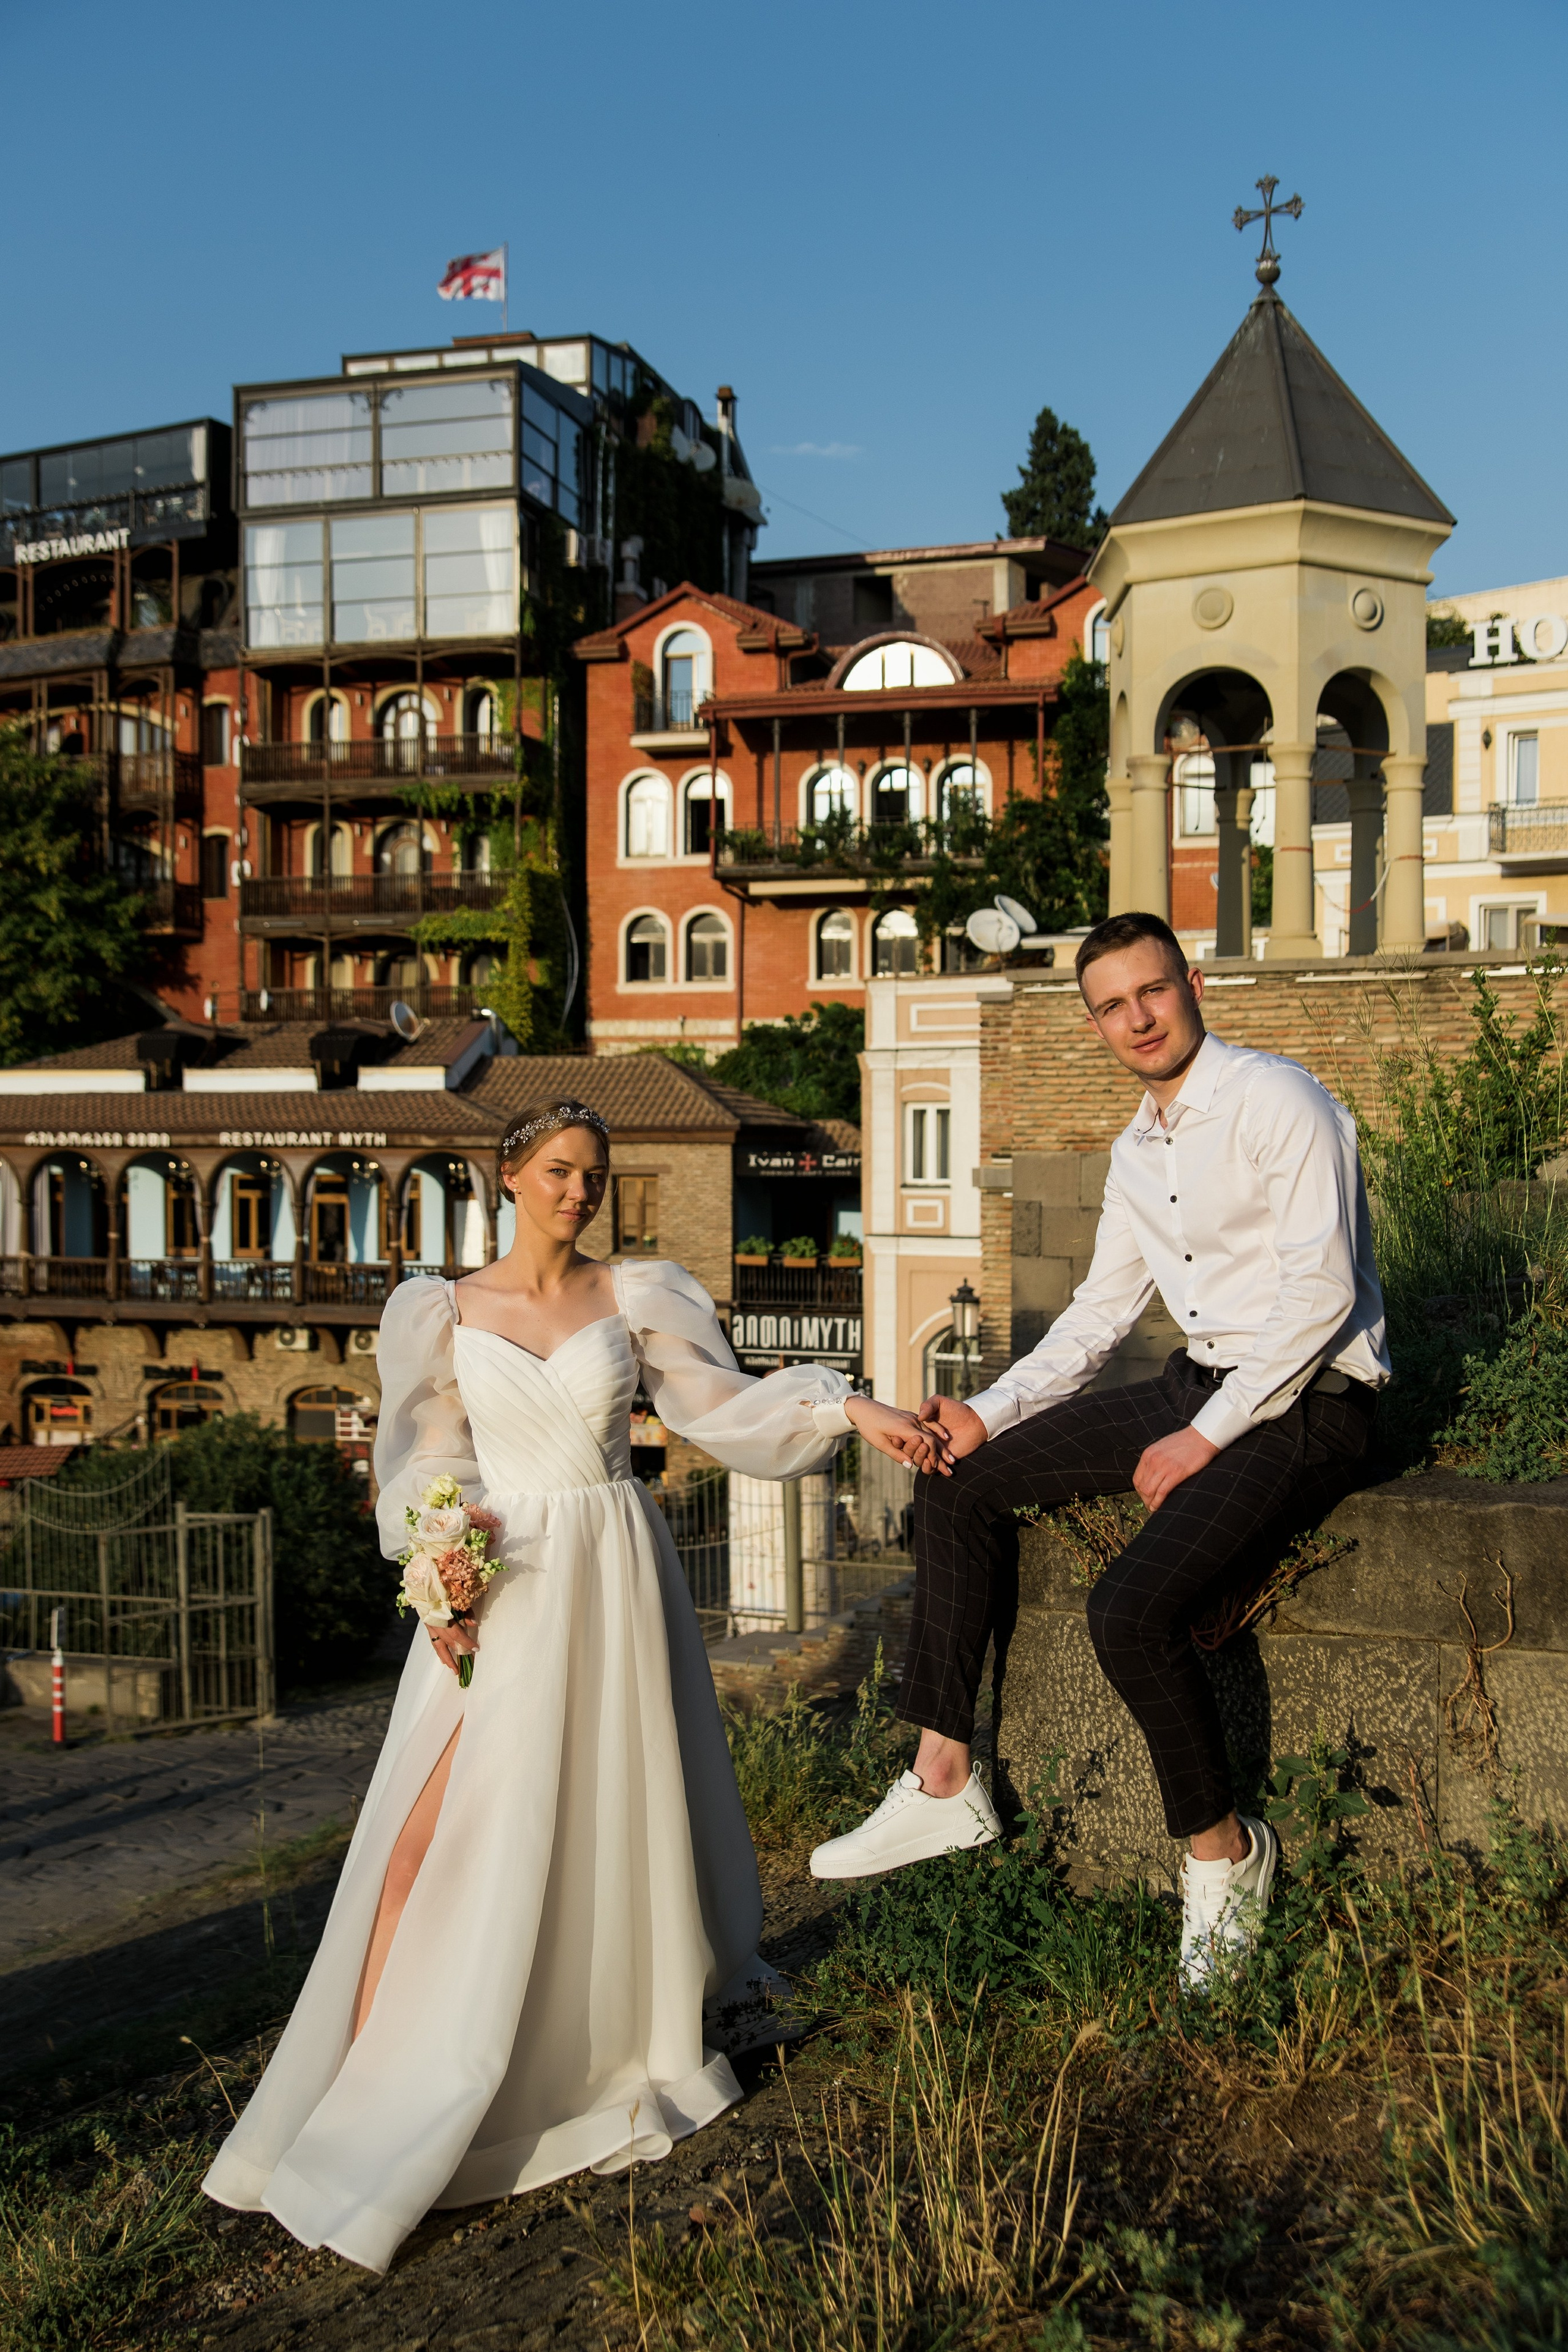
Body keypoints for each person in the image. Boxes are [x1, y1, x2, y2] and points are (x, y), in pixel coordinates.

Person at [203, 1099, 937, 2270]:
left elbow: (717, 1405)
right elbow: (428, 1458)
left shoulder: (636, 1294)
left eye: (594, 1173)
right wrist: (437, 1565)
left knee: (596, 1815)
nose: (579, 1192)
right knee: (423, 1838)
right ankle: (352, 2089)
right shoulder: (441, 1312)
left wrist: (850, 1405)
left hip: (612, 1573)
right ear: (510, 1176)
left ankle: (577, 2043)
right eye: (558, 1170)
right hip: (503, 1583)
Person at [810, 913, 1389, 1988]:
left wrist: (1204, 1437)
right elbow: (1096, 1316)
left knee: (1128, 1610)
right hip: (1200, 1381)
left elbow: (1320, 1298)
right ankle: (944, 1780)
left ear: (1193, 985)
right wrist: (991, 1411)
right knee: (959, 1483)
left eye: (1153, 992)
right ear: (1094, 1024)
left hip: (1313, 1400)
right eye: (1114, 1006)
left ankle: (1223, 1854)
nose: (1139, 1019)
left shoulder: (1278, 1101)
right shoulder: (1137, 1150)